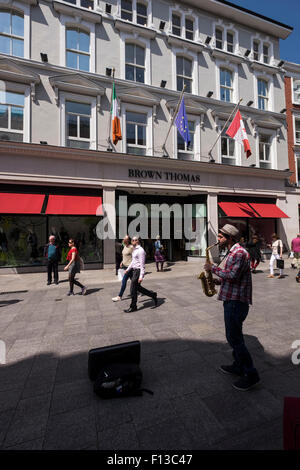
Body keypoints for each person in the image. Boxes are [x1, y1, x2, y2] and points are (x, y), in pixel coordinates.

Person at [204, 223, 260, 391]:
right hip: (232, 299)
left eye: (221, 237)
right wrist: (218, 281)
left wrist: (212, 268)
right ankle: (238, 365)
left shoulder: (239, 253)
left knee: (235, 338)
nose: (218, 239)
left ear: (230, 238)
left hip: (236, 302)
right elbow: (233, 277)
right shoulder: (232, 252)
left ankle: (251, 374)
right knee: (233, 336)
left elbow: (233, 275)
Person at [123, 236, 158, 313]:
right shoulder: (134, 250)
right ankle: (153, 295)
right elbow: (133, 261)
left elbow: (142, 265)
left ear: (138, 241)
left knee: (132, 289)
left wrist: (141, 276)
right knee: (138, 288)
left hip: (138, 271)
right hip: (134, 271)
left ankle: (133, 306)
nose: (133, 241)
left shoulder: (141, 251)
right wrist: (128, 269)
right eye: (132, 240)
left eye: (135, 240)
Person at [112, 235, 133, 302]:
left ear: (128, 240)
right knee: (134, 282)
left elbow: (135, 257)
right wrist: (122, 262)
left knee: (124, 281)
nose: (123, 239)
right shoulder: (124, 246)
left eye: (125, 238)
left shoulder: (131, 247)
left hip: (129, 268)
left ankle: (119, 296)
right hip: (125, 266)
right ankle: (142, 292)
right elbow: (124, 256)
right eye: (123, 238)